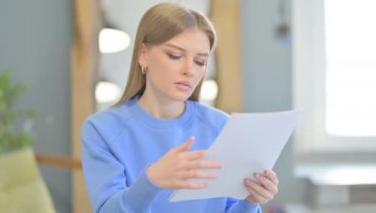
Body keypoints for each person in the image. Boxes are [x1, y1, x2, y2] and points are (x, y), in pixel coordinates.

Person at [81, 2, 279, 213]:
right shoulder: (102, 130)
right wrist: (152, 180)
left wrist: (249, 201)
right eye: (175, 56)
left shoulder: (223, 127)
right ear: (144, 54)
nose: (189, 70)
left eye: (200, 62)